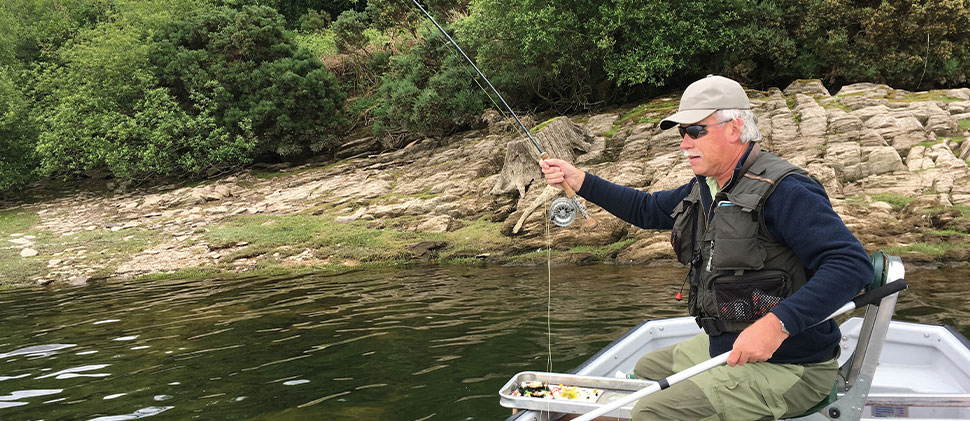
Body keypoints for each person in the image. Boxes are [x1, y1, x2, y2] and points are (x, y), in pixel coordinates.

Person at [540, 75, 874, 420]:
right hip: (727, 345)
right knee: (649, 365)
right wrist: (581, 181)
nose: (685, 143)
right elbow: (647, 209)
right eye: (681, 133)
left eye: (696, 131)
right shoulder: (708, 187)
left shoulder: (786, 191)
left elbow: (851, 264)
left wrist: (778, 324)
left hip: (793, 365)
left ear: (735, 128)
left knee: (653, 412)